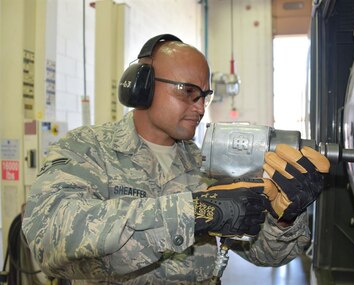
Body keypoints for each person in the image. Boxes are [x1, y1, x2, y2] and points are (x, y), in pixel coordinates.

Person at [22, 34, 330, 285]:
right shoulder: (88, 149)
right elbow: (50, 238)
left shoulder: (209, 168)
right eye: (188, 92)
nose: (200, 107)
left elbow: (266, 255)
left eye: (204, 95)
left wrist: (285, 217)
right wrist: (195, 212)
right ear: (142, 87)